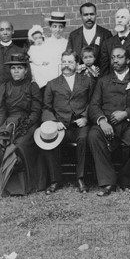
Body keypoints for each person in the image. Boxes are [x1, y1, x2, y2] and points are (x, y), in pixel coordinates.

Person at [88, 46, 130, 196]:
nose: (115, 60)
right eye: (113, 57)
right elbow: (94, 105)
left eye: (119, 57)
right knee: (94, 135)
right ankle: (108, 181)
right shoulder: (103, 81)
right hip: (108, 124)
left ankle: (126, 180)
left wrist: (126, 113)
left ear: (128, 60)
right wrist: (102, 121)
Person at [0, 54, 42, 197]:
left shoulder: (32, 87)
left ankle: (19, 187)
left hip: (28, 124)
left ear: (26, 70)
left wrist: (25, 126)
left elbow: (36, 111)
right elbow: (1, 111)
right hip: (9, 122)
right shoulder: (4, 87)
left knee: (19, 145)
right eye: (13, 68)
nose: (16, 71)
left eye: (20, 68)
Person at [41, 50, 95, 194]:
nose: (66, 65)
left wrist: (85, 117)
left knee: (84, 138)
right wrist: (53, 122)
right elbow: (46, 107)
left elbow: (93, 103)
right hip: (60, 124)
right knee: (49, 138)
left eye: (70, 62)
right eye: (64, 62)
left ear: (77, 64)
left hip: (80, 124)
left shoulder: (87, 81)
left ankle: (81, 178)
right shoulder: (52, 84)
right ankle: (55, 180)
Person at [26, 25, 60, 89]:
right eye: (36, 39)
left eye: (40, 38)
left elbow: (48, 55)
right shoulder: (33, 48)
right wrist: (41, 63)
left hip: (46, 64)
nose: (38, 40)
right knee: (39, 74)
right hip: (38, 65)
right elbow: (34, 59)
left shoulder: (45, 46)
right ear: (32, 40)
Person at [44, 12, 69, 79]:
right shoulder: (45, 43)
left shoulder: (67, 43)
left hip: (64, 77)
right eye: (54, 26)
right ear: (50, 27)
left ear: (64, 28)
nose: (57, 30)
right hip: (48, 77)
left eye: (60, 27)